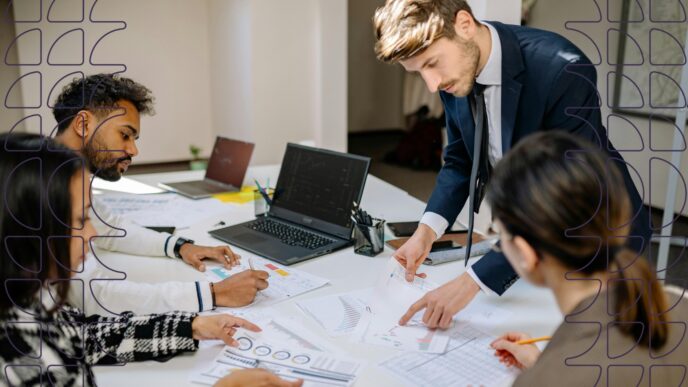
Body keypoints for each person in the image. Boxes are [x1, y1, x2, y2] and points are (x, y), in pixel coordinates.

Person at [373, 0, 652, 329]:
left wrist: (472, 281)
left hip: (596, 239)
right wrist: (426, 232)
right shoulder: (453, 74)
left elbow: (564, 198)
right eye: (419, 71)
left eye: (432, 64)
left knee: (590, 358)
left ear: (464, 24)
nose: (432, 85)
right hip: (534, 246)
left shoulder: (562, 68)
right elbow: (460, 160)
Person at [0, 133, 300, 387]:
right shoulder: (19, 355)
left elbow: (84, 337)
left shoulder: (25, 299)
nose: (93, 233)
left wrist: (191, 327)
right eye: (81, 219)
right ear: (26, 227)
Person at [50, 74, 268, 315]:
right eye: (125, 134)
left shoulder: (63, 173)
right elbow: (97, 295)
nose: (133, 150)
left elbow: (110, 228)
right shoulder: (41, 188)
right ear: (83, 124)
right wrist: (214, 293)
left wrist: (180, 246)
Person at [483, 132, 688, 385]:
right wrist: (545, 363)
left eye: (498, 233)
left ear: (526, 254)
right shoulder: (677, 303)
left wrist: (546, 372)